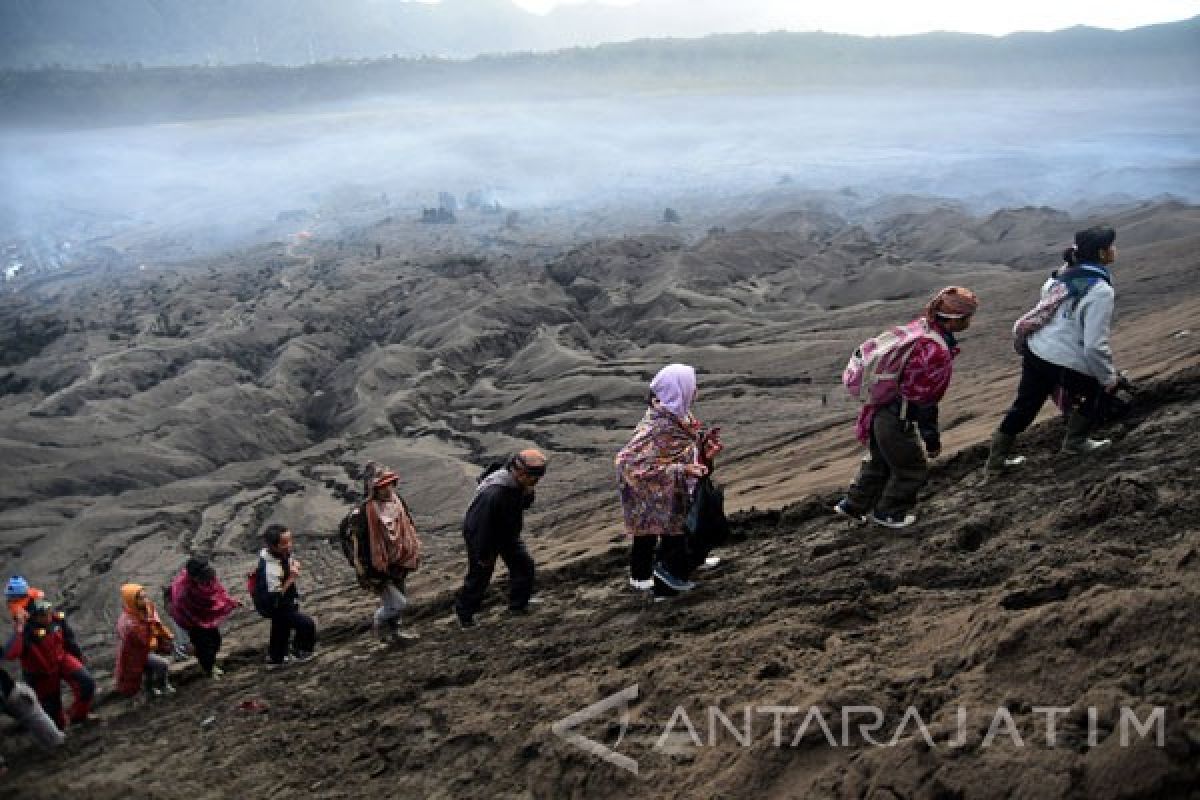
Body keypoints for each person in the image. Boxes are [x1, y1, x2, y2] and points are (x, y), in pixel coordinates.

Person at [834, 286, 979, 528]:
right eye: (967, 318)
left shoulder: (920, 328)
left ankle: (853, 505)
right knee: (911, 469)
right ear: (954, 321)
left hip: (880, 409)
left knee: (880, 461)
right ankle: (889, 513)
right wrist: (930, 437)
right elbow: (922, 399)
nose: (969, 322)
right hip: (897, 416)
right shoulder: (935, 350)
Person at [987, 226, 1120, 475]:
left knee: (1025, 404)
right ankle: (1076, 442)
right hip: (1062, 355)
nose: (1114, 250)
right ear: (1102, 254)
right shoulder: (1100, 290)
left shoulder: (1059, 276)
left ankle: (995, 461)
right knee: (1093, 389)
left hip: (1036, 349)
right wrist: (1108, 378)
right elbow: (1094, 345)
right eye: (1111, 246)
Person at [616, 364, 724, 596]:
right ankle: (648, 578)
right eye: (691, 387)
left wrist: (704, 453)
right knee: (653, 529)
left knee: (677, 526)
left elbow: (683, 450)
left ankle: (681, 566)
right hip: (648, 487)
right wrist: (682, 469)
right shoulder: (658, 425)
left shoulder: (679, 416)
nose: (696, 391)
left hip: (669, 484)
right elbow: (629, 463)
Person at [454, 450, 547, 629]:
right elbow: (478, 524)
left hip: (506, 533)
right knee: (480, 575)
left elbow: (523, 504)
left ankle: (519, 605)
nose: (536, 482)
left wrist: (527, 493)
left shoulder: (516, 485)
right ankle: (465, 616)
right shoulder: (494, 493)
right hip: (483, 536)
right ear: (520, 473)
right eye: (534, 478)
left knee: (523, 565)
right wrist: (482, 553)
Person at [3, 598, 94, 730]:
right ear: (33, 617)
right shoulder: (26, 633)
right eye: (42, 614)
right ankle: (60, 727)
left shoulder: (56, 620)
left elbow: (69, 639)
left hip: (61, 659)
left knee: (86, 683)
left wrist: (78, 655)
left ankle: (78, 716)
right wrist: (19, 629)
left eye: (48, 610)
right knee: (52, 710)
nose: (47, 616)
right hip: (41, 675)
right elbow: (10, 654)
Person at [360, 467, 422, 644]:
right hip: (380, 567)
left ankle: (395, 633)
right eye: (382, 486)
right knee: (398, 603)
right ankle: (379, 624)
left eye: (390, 485)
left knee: (396, 602)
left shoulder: (397, 502)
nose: (387, 490)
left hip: (399, 562)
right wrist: (371, 572)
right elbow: (362, 547)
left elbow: (408, 524)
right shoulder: (366, 513)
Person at [253, 525, 317, 667]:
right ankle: (301, 652)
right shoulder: (271, 570)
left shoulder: (276, 554)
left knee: (280, 629)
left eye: (290, 541)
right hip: (278, 605)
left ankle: (276, 658)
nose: (289, 546)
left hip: (282, 603)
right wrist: (291, 578)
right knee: (306, 625)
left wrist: (292, 565)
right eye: (285, 543)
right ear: (273, 546)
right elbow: (275, 596)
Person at [168, 557, 239, 678]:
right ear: (194, 577)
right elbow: (185, 613)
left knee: (216, 641)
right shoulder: (183, 592)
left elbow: (218, 591)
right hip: (192, 622)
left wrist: (229, 601)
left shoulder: (208, 576)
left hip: (205, 618)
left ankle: (210, 664)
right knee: (204, 648)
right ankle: (209, 670)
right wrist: (197, 628)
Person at [114, 584, 175, 699]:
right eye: (141, 598)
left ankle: (149, 691)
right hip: (138, 653)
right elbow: (137, 642)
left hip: (149, 647)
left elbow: (157, 624)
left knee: (149, 671)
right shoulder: (127, 622)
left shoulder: (147, 608)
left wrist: (166, 636)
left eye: (145, 596)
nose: (145, 600)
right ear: (132, 600)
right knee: (162, 664)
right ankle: (163, 686)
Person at [1, 668, 66, 749]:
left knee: (35, 719)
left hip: (17, 697)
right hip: (19, 692)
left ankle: (54, 741)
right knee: (36, 718)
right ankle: (53, 740)